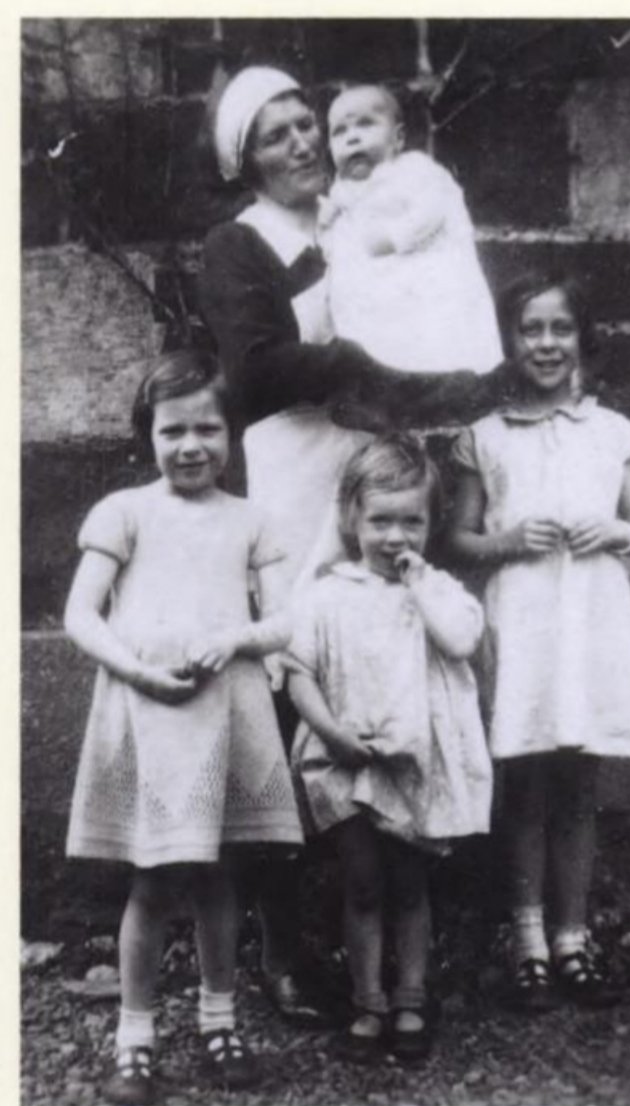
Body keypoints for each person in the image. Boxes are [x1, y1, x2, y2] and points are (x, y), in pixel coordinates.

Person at [200, 65, 508, 1022]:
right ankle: (287, 948)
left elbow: (437, 294)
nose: (303, 145)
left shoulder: (368, 210)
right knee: (299, 708)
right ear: (244, 160)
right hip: (295, 491)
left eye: (308, 127)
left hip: (376, 488)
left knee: (400, 689)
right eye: (277, 136)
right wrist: (357, 363)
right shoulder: (238, 245)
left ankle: (403, 945)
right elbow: (250, 374)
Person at [64, 350, 302, 1106]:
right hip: (151, 710)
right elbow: (78, 613)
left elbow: (291, 619)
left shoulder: (252, 519)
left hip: (225, 707)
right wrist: (134, 671)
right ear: (149, 436)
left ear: (232, 434)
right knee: (153, 875)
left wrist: (235, 638)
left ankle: (219, 1019)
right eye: (173, 430)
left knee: (218, 873)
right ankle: (134, 1038)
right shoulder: (125, 511)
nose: (191, 444)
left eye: (208, 427)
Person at [447, 271, 630, 1011]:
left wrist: (618, 530)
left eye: (558, 328)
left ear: (580, 337)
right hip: (526, 618)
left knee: (579, 781)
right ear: (508, 341)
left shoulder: (610, 430)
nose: (544, 342)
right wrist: (505, 539)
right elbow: (459, 537)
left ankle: (573, 935)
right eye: (530, 329)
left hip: (590, 619)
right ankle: (527, 937)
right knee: (525, 783)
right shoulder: (485, 435)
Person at [284, 436, 493, 1063]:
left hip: (413, 764)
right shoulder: (326, 594)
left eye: (412, 521)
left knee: (408, 884)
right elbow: (298, 672)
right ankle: (367, 1001)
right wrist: (331, 732)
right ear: (351, 518)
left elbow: (459, 640)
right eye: (380, 520)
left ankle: (410, 998)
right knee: (363, 883)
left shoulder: (440, 591)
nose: (395, 536)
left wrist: (421, 583)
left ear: (430, 523)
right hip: (346, 762)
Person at [320, 83, 503, 373]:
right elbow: (337, 242)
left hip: (428, 285)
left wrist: (395, 238)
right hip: (383, 303)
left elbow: (435, 209)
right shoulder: (342, 192)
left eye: (365, 125)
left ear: (398, 138)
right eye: (339, 131)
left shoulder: (415, 170)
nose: (352, 138)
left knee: (437, 343)